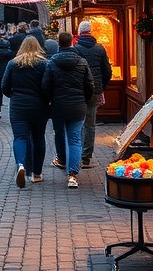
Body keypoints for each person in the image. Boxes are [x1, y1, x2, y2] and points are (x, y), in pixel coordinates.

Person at [42, 30, 94, 189]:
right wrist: (84, 100)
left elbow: (45, 86)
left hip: (58, 106)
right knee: (75, 139)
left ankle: (62, 160)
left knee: (59, 134)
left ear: (59, 43)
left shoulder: (51, 63)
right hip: (77, 106)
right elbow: (90, 85)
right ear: (71, 42)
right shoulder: (82, 62)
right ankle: (72, 174)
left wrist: (50, 100)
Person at [1, 36, 49, 187]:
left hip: (18, 106)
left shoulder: (13, 64)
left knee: (20, 137)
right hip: (38, 106)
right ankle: (37, 173)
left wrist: (13, 95)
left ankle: (21, 164)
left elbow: (4, 86)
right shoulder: (44, 64)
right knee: (38, 138)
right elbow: (47, 86)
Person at [74, 19, 112, 168]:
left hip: (79, 90)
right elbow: (107, 71)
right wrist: (102, 86)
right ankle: (86, 158)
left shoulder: (76, 49)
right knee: (90, 124)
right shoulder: (100, 49)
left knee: (77, 123)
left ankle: (76, 154)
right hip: (95, 90)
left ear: (79, 33)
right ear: (90, 32)